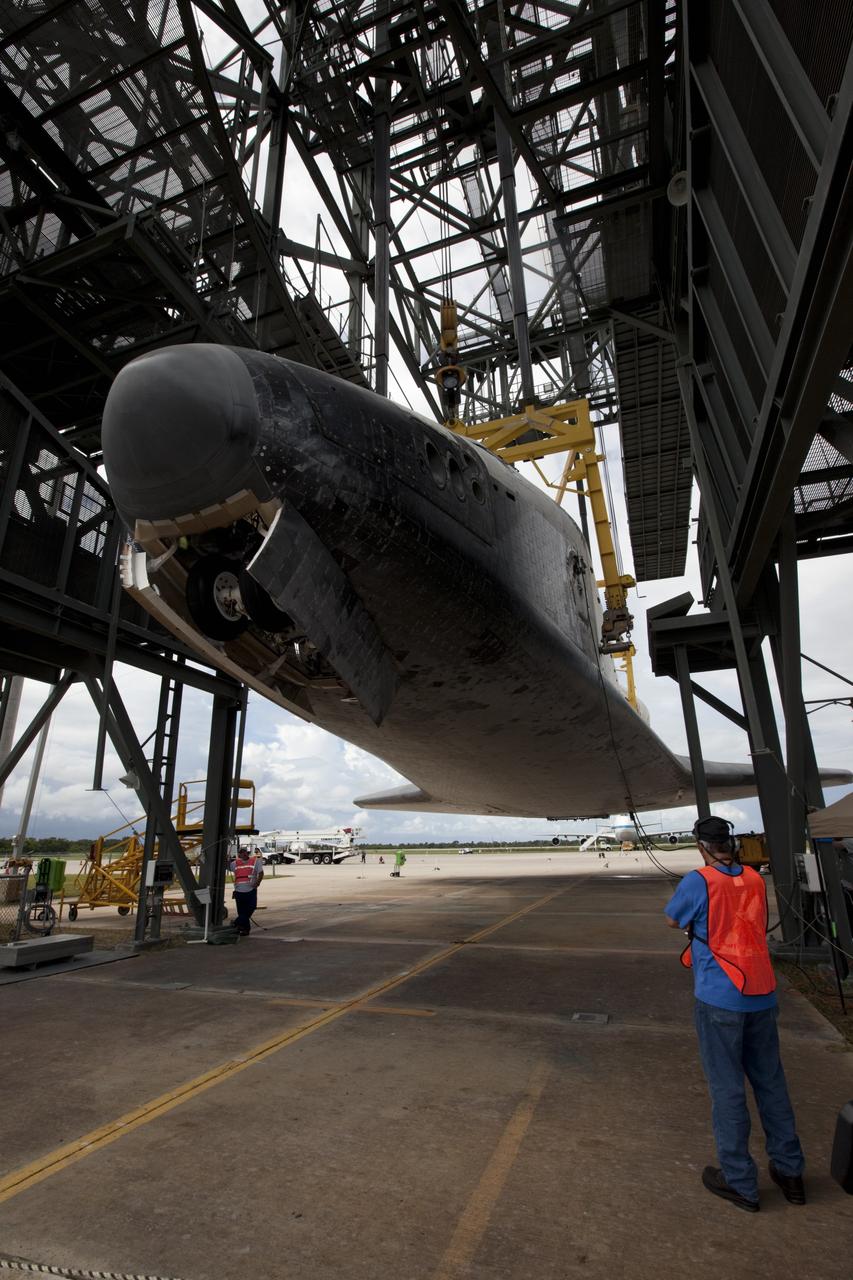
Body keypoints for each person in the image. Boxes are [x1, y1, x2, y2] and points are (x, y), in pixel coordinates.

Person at [664, 815, 805, 1213]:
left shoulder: (700, 880)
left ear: (702, 846)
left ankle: (740, 1181)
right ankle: (790, 1171)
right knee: (771, 1083)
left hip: (721, 994)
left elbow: (673, 918)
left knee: (727, 1089)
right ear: (733, 845)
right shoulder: (755, 878)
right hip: (761, 989)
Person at [229, 844, 264, 936]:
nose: (243, 854)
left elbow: (261, 873)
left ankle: (236, 923)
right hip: (239, 891)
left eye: (244, 852)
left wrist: (258, 882)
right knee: (242, 912)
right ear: (239, 855)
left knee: (251, 907)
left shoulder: (255, 861)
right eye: (241, 853)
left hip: (251, 889)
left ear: (247, 853)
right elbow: (226, 866)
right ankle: (245, 929)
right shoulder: (234, 863)